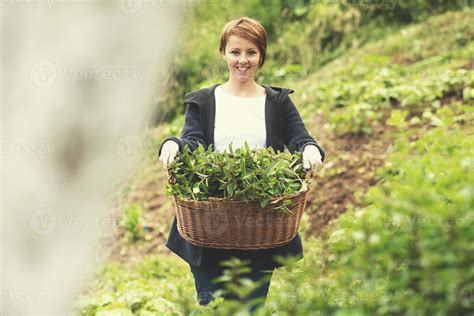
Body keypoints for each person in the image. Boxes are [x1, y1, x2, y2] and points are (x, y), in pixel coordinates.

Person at [158, 16, 325, 314]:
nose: (243, 60)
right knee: (214, 307)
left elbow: (300, 138)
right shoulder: (204, 101)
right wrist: (175, 145)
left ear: (261, 56)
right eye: (235, 52)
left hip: (259, 227)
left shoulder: (277, 103)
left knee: (250, 308)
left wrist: (310, 149)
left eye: (251, 52)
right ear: (223, 53)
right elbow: (193, 141)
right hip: (210, 228)